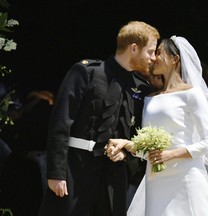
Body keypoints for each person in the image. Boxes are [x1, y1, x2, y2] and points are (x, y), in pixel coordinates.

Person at [105, 36, 208, 216]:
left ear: (174, 59)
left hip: (186, 176)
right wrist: (127, 144)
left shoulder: (192, 94)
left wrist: (170, 154)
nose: (154, 58)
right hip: (155, 181)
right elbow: (148, 151)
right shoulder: (150, 98)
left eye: (159, 53)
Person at [37, 21, 160, 216]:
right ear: (134, 48)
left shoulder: (141, 88)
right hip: (75, 168)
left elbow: (136, 134)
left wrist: (126, 154)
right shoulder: (86, 72)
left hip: (113, 176)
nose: (153, 58)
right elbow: (61, 122)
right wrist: (56, 173)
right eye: (151, 51)